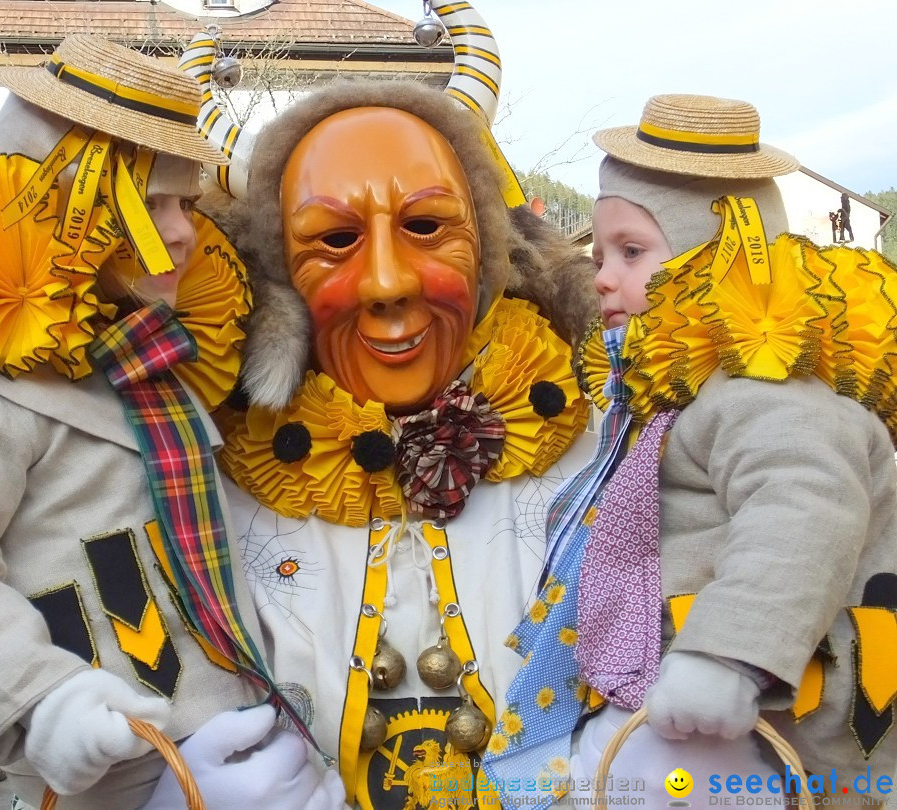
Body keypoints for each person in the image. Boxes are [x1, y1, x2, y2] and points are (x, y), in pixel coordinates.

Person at [0, 34, 342, 810]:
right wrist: (43, 701)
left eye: (187, 203)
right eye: (150, 202)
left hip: (242, 743)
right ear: (57, 203)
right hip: (110, 773)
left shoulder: (158, 365)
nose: (183, 232)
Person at [182, 3, 601, 806]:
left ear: (487, 252)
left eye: (426, 227)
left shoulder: (592, 454)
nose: (387, 283)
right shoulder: (216, 478)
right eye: (334, 241)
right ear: (277, 281)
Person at [486, 94, 897, 808]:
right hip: (686, 718)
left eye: (632, 252)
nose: (603, 275)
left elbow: (808, 511)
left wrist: (726, 656)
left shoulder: (766, 392)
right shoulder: (675, 396)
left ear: (718, 263)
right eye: (601, 252)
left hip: (763, 716)